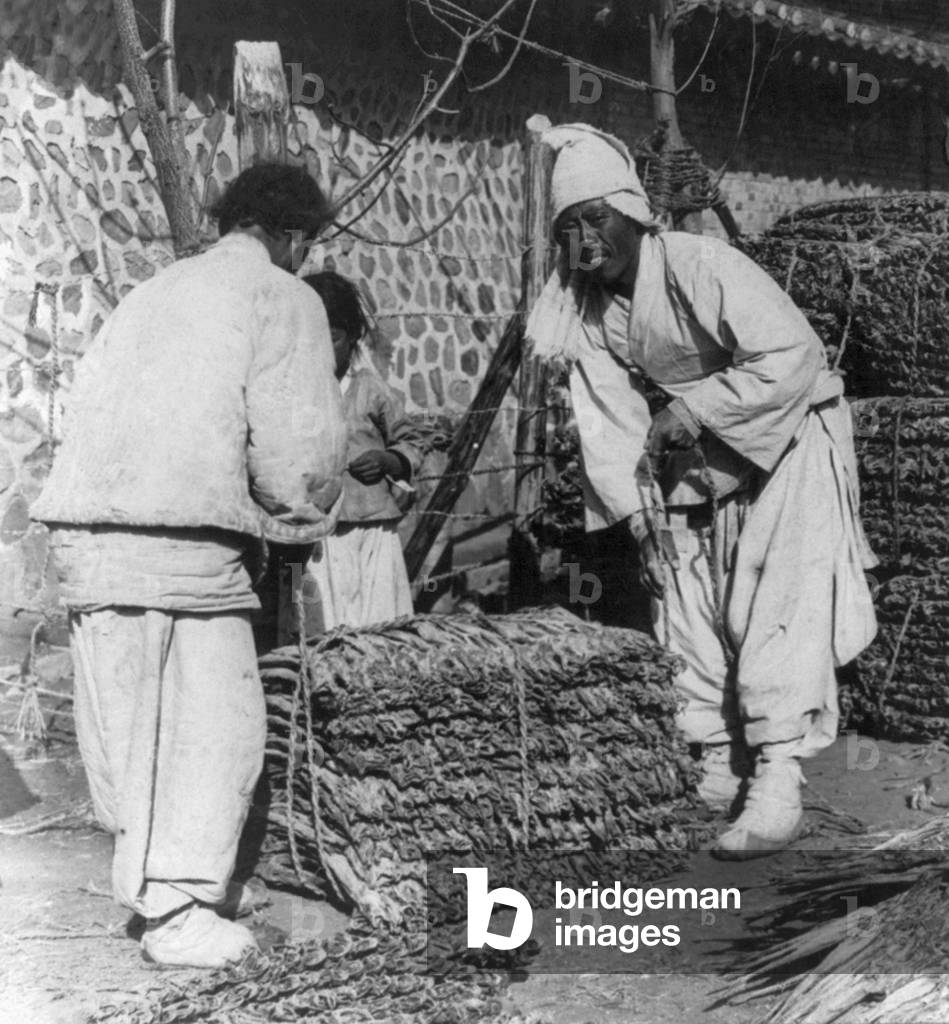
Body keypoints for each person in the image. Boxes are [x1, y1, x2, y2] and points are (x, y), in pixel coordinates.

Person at [526, 124, 877, 859]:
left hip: (786, 435)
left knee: (774, 603)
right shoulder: (589, 313)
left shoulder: (697, 261)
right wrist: (638, 520)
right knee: (684, 600)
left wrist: (694, 407)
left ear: (631, 215)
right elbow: (611, 424)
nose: (587, 241)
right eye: (570, 228)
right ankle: (718, 759)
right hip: (701, 458)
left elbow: (792, 353)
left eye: (598, 220)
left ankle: (777, 777)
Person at [30, 163, 348, 966]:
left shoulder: (156, 289)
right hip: (182, 538)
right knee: (219, 724)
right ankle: (177, 911)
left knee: (137, 728)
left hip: (87, 529)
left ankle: (169, 890)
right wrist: (299, 519)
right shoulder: (284, 297)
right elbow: (296, 450)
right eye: (307, 243)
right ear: (293, 234)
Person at [299, 271, 423, 630]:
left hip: (372, 528)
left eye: (333, 338)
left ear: (352, 337)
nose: (323, 349)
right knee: (325, 622)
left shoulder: (370, 390)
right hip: (319, 535)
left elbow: (411, 440)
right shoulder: (298, 394)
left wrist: (390, 460)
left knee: (380, 619)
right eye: (313, 339)